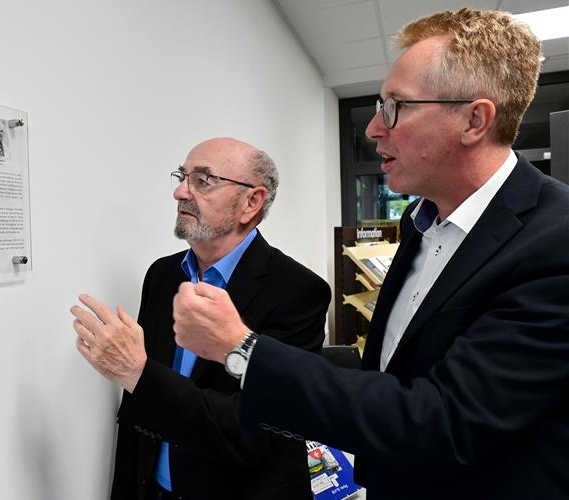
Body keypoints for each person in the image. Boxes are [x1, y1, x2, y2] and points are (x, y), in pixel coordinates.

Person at [171, 8, 569, 499]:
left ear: (474, 119)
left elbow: (444, 422)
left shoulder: (555, 240)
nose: (374, 129)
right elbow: (393, 377)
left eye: (395, 107)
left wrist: (243, 349)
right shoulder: (422, 222)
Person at [71, 137, 331, 500]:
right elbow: (138, 413)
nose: (180, 192)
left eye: (203, 180)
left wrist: (137, 372)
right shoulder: (163, 275)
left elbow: (258, 434)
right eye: (182, 176)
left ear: (251, 202)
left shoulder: (298, 291)